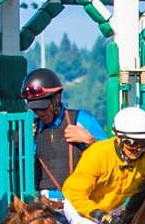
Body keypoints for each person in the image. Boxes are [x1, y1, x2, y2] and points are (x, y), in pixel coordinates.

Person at [24, 68, 104, 199]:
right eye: (34, 109)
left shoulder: (82, 119)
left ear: (57, 98)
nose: (39, 113)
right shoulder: (31, 129)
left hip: (79, 201)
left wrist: (91, 141)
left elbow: (111, 157)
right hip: (44, 204)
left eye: (43, 107)